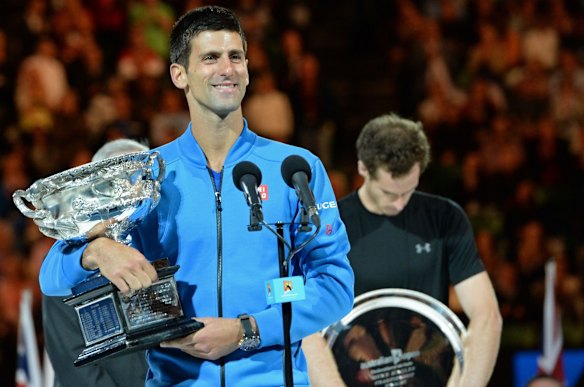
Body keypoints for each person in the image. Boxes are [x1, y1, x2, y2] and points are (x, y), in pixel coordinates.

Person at [38, 5, 354, 387]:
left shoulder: (295, 169)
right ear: (179, 75)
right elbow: (51, 276)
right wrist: (98, 251)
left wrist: (246, 330)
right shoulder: (147, 175)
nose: (227, 68)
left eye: (236, 56)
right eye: (210, 58)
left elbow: (335, 286)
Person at [304, 113, 502, 387]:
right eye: (389, 193)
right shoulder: (329, 227)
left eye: (409, 190)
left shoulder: (445, 217)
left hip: (431, 374)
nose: (399, 204)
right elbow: (307, 326)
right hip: (353, 374)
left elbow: (486, 316)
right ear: (363, 168)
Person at [42, 138, 150, 387]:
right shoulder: (69, 261)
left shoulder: (162, 247)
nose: (132, 193)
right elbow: (73, 362)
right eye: (119, 183)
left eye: (142, 180)